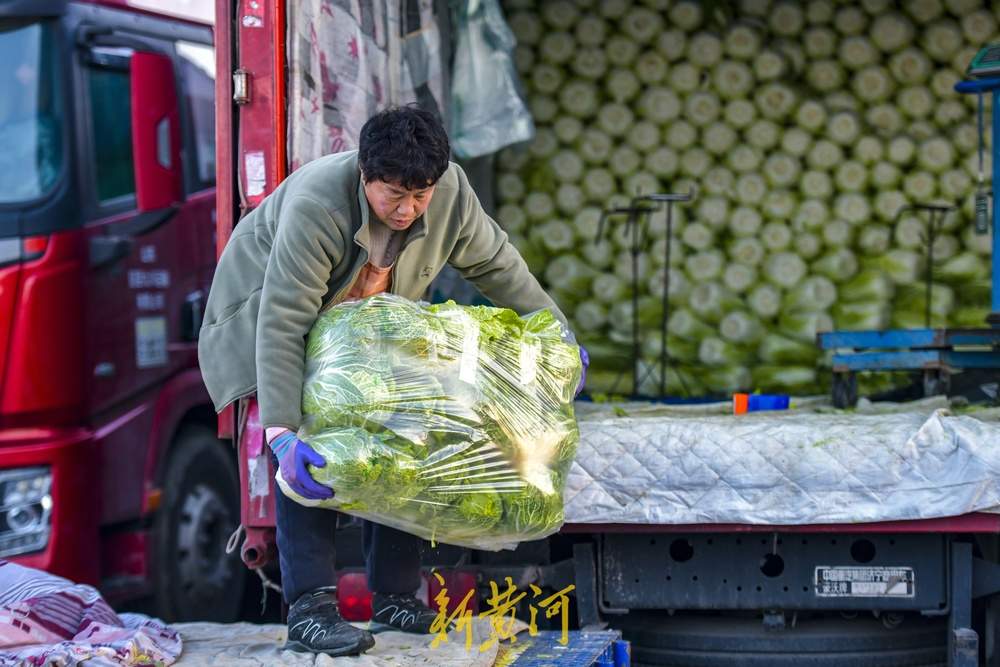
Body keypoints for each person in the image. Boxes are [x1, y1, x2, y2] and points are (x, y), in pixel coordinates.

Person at [198, 106, 588, 657]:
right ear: (364, 173)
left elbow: (499, 265)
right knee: (315, 438)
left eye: (420, 195)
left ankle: (396, 597)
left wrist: (557, 335)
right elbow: (284, 320)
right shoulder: (318, 204)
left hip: (369, 325)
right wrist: (282, 432)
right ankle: (309, 608)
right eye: (393, 195)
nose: (407, 209)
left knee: (407, 433)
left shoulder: (449, 190)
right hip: (270, 316)